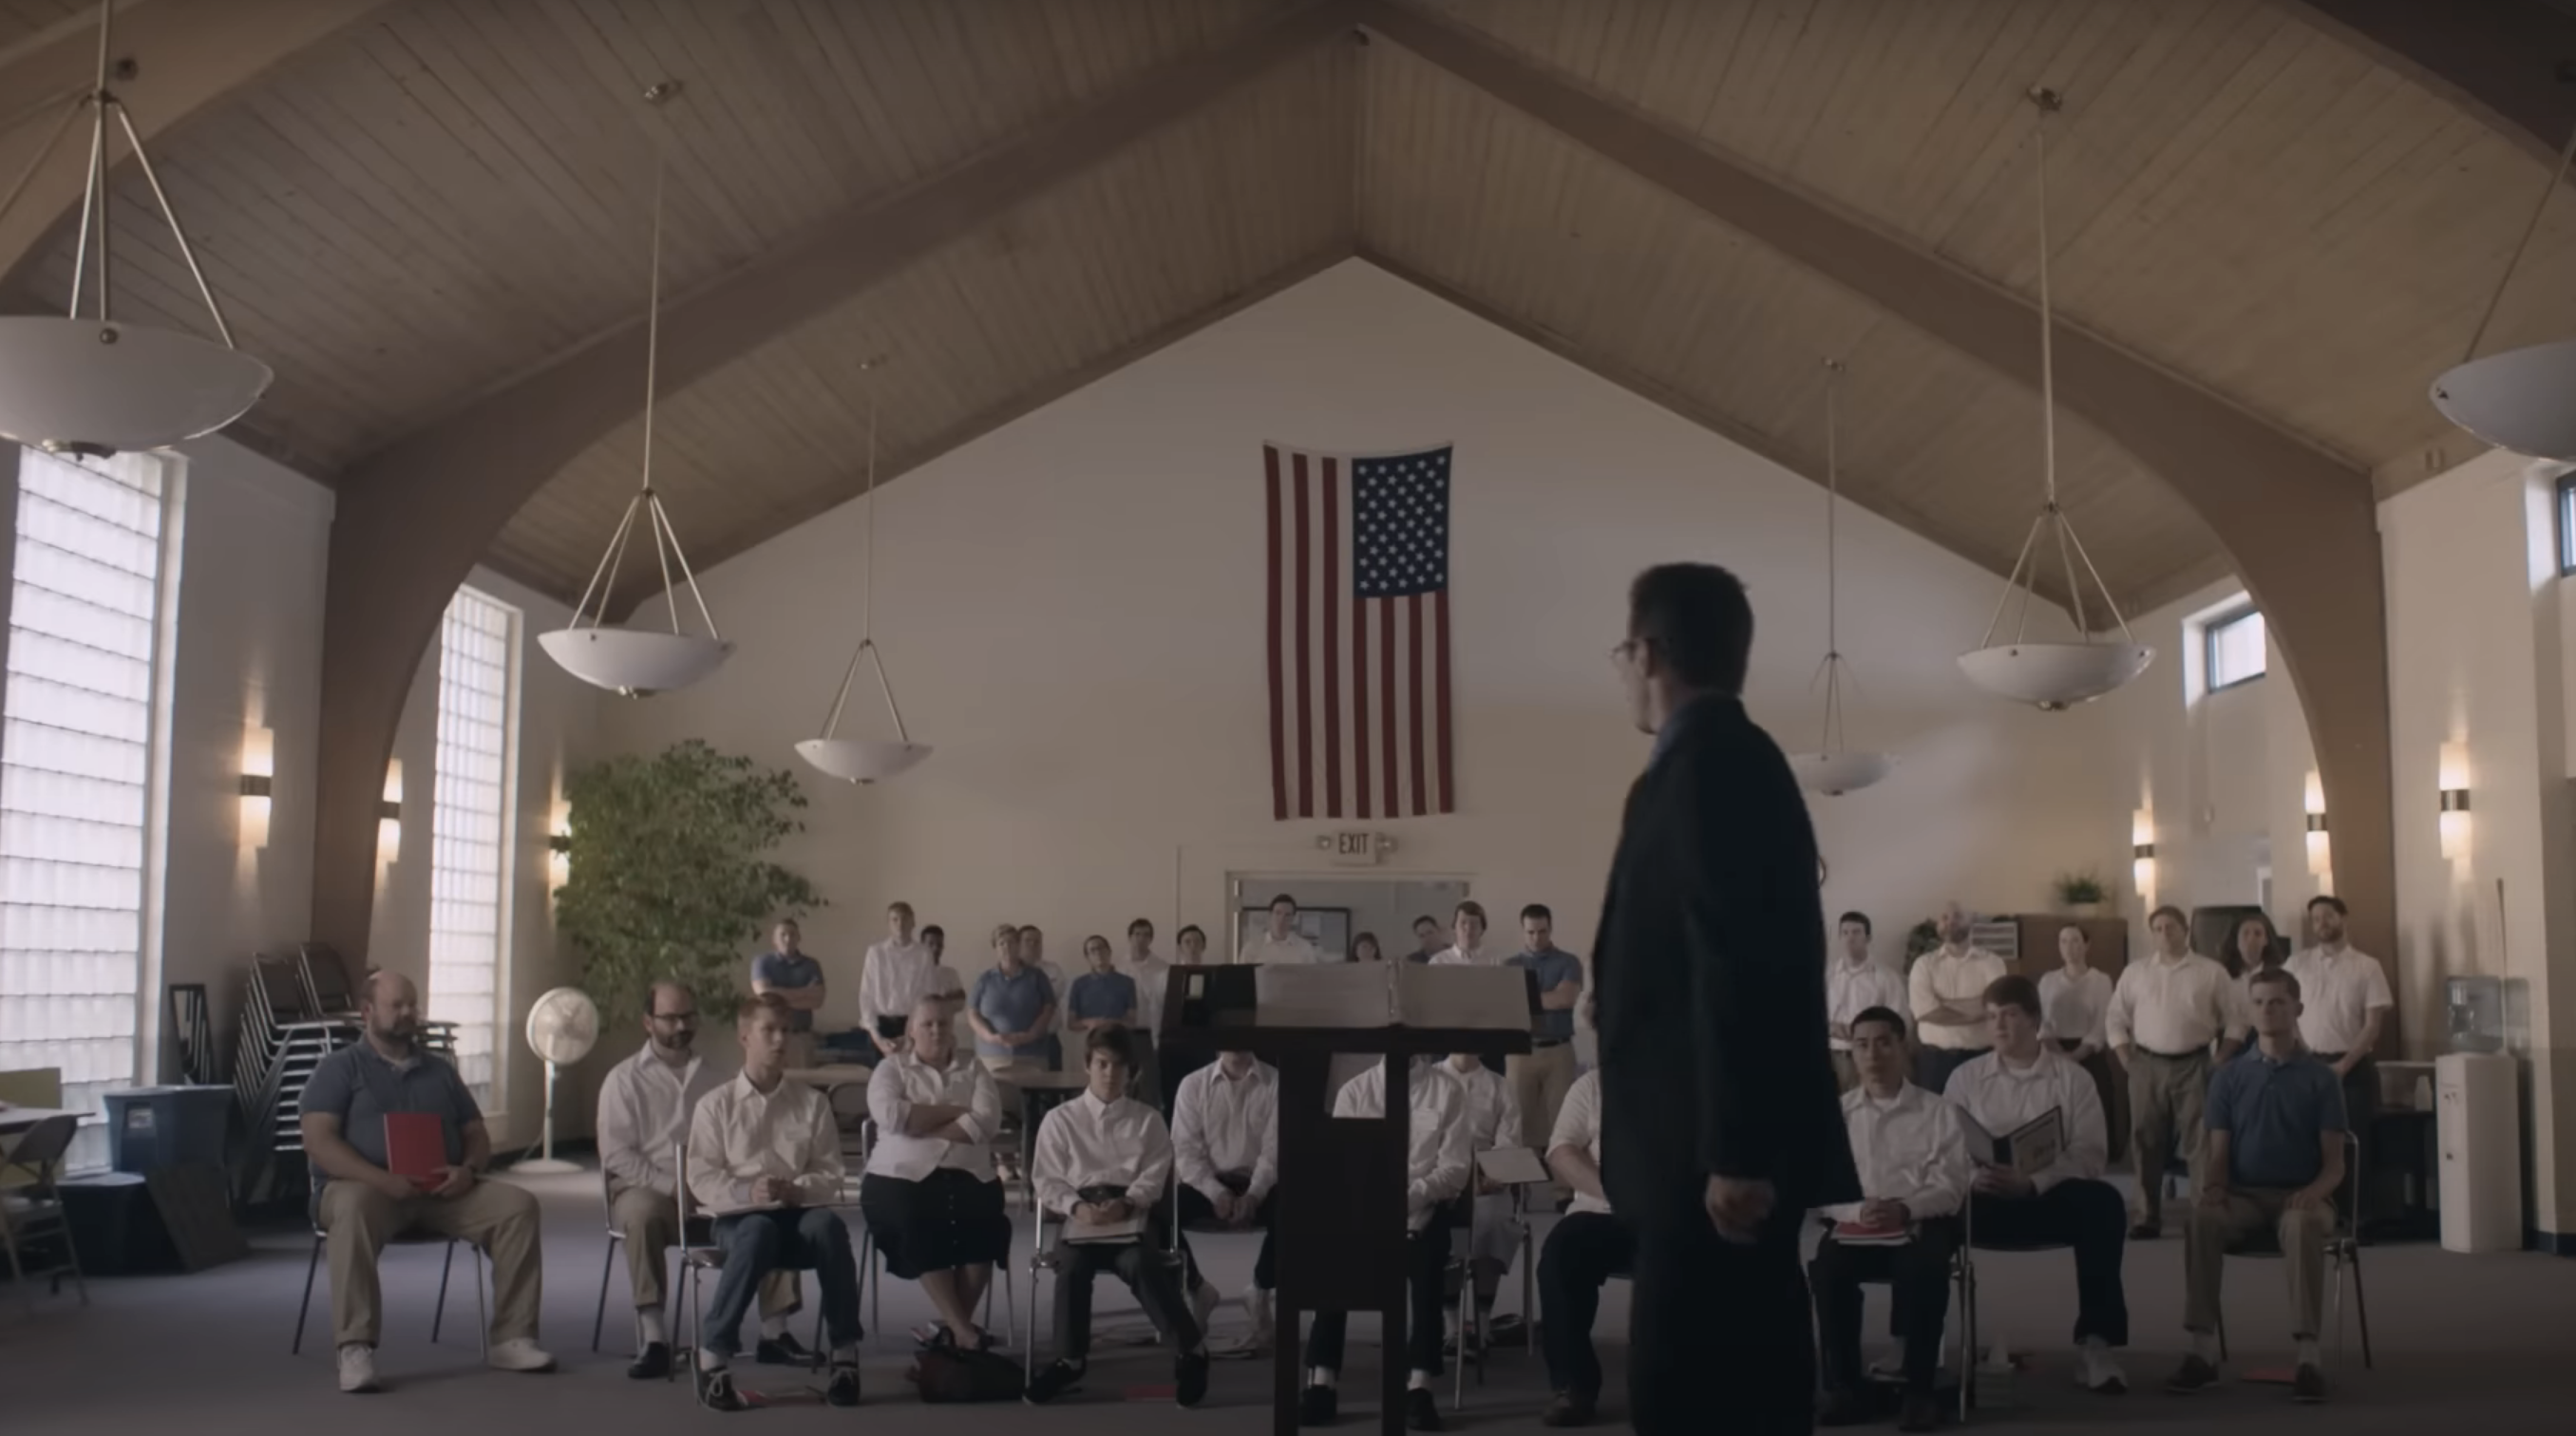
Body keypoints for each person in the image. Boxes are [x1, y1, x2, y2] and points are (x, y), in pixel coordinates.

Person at [1596, 563, 1861, 1436]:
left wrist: (1737, 1152)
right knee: (1710, 1384)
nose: (1622, 669)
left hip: (1714, 1159)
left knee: (1701, 1391)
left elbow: (1741, 962)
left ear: (1653, 652)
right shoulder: (1703, 764)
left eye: (1623, 651)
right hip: (1697, 1149)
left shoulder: (1716, 767)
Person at [298, 971, 554, 1393]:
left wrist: (468, 1170)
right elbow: (318, 1141)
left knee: (517, 1205)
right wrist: (381, 1179)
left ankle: (513, 1337)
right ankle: (355, 1347)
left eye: (412, 1005)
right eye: (396, 1005)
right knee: (352, 1206)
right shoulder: (339, 1069)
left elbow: (475, 1132)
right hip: (365, 1190)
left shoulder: (439, 1071)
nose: (407, 1013)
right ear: (367, 1012)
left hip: (439, 1190)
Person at [597, 981, 800, 1379]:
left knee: (771, 1204)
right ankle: (654, 1338)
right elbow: (616, 1155)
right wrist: (673, 1187)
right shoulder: (623, 1080)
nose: (681, 1025)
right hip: (650, 1188)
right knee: (641, 1213)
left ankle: (775, 1334)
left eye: (688, 1016)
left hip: (712, 1191)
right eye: (670, 1018)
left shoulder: (717, 1077)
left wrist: (733, 1186)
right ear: (648, 1022)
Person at [1942, 974, 2130, 1394]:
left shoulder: (2073, 1079)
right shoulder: (1965, 1079)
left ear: (2035, 1020)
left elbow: (2090, 1153)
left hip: (2047, 1198)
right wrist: (1979, 1177)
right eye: (1991, 1017)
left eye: (2009, 1015)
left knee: (2104, 1204)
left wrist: (2033, 1181)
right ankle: (1920, 1345)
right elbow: (1946, 1152)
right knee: (1933, 1210)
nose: (1999, 1026)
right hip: (1983, 1198)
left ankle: (2097, 1345)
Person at [2169, 969, 2347, 1405]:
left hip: (2303, 1194)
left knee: (2303, 1224)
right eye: (2260, 1003)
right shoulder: (2228, 1077)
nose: (2267, 1010)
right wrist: (2213, 1187)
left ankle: (2307, 1358)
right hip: (2244, 1196)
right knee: (2202, 1219)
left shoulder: (2320, 1078)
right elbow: (2218, 1153)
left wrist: (2315, 1191)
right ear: (2249, 1011)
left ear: (2297, 1009)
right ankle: (2203, 1352)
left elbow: (2335, 1164)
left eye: (2277, 1002)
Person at [683, 994, 865, 1411]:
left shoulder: (813, 1103)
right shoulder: (716, 1105)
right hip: (738, 1221)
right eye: (770, 1030)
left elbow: (830, 1171)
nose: (780, 1039)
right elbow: (702, 1176)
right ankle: (713, 1355)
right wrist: (748, 1193)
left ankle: (844, 1356)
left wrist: (798, 1189)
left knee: (829, 1228)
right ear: (745, 1036)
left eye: (786, 1031)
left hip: (796, 1215)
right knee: (756, 1229)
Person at [1023, 1026, 1213, 1408]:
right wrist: (1077, 1207)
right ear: (1087, 1066)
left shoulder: (1148, 1120)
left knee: (1140, 1261)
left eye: (1119, 1066)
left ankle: (1191, 1350)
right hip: (1081, 1210)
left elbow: (1156, 1174)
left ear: (1133, 1071)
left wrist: (1127, 1203)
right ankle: (1070, 1359)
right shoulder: (1060, 1120)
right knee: (1072, 1263)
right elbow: (1045, 1178)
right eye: (1102, 1064)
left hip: (1133, 1210)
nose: (1110, 1074)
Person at [1813, 1008, 1972, 1432]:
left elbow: (1952, 1185)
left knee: (1927, 1267)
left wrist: (1904, 1209)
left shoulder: (1937, 1111)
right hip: (1855, 1224)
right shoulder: (1838, 1115)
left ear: (1903, 1048)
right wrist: (1855, 1211)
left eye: (1884, 1042)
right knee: (1827, 1271)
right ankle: (1845, 1386)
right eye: (1862, 1045)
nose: (1873, 1054)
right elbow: (1820, 1191)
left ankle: (1919, 1391)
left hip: (1918, 1222)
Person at [1301, 1056, 1473, 1431]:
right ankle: (1322, 1381)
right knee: (1333, 1259)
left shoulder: (1447, 1090)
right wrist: (1375, 1201)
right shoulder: (1356, 1090)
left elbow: (1456, 1168)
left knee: (1427, 1265)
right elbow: (1343, 1164)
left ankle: (1419, 1385)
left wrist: (1408, 1197)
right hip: (1364, 1208)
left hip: (1424, 1208)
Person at [860, 997, 1010, 1352]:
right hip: (899, 1177)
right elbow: (892, 1116)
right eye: (927, 1024)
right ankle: (963, 1331)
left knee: (988, 1223)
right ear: (911, 1029)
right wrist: (957, 1112)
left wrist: (919, 1122)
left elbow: (986, 1123)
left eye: (943, 1023)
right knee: (916, 1216)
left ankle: (955, 1330)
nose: (937, 1030)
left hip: (968, 1172)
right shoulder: (891, 1069)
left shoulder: (974, 1068)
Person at [2106, 905, 2243, 1238]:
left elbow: (2236, 1022)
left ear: (2186, 930)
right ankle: (2146, 1216)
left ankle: (2203, 1216)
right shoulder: (2135, 972)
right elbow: (2115, 1019)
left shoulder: (2211, 972)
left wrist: (2220, 1060)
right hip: (2146, 1064)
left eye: (2171, 927)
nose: (2164, 934)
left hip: (2196, 1063)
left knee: (2201, 1142)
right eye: (2157, 928)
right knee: (2145, 1140)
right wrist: (2127, 1060)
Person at [1534, 1068, 1628, 1428]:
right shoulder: (1591, 1085)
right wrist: (1620, 1198)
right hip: (1602, 1210)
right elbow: (1562, 1152)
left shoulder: (1693, 1076)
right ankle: (1573, 1386)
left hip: (1676, 1214)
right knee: (1560, 1256)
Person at [1171, 1049, 1281, 1346]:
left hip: (1259, 1181)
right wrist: (1216, 1192)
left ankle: (1260, 1289)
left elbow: (1274, 1153)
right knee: (1160, 1212)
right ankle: (1197, 1287)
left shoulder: (1276, 1082)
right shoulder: (1193, 1085)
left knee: (1296, 1209)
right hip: (1208, 1183)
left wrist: (1255, 1194)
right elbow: (1186, 1154)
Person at [2282, 896, 2391, 1179]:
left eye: (2328, 916)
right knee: (2304, 1139)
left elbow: (2372, 1026)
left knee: (2353, 1143)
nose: (2322, 923)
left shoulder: (2368, 966)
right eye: (2316, 919)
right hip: (2306, 1063)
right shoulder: (2296, 964)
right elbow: (2286, 1014)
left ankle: (2355, 1216)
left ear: (2343, 918)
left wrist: (2343, 1066)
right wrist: (2303, 1052)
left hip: (2352, 1068)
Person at [1441, 1050, 1524, 1351]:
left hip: (1486, 1184)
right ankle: (1451, 1325)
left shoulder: (1500, 1086)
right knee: (1446, 1229)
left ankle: (1483, 1324)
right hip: (1441, 1183)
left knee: (1495, 1223)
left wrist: (1486, 1177)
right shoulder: (1431, 1080)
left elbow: (1508, 1143)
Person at [2038, 923, 2123, 1162]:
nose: (2069, 947)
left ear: (2086, 945)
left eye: (2075, 941)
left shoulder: (2100, 980)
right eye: (2063, 941)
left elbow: (2101, 1024)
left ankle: (2098, 1155)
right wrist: (2059, 1054)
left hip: (2088, 1052)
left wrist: (2075, 1057)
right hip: (2054, 1051)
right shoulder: (2048, 980)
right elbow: (2043, 1023)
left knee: (2095, 1103)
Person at [1506, 903, 1585, 1151]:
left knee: (1563, 1122)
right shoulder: (1510, 966)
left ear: (1550, 929)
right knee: (1518, 1122)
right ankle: (1521, 1187)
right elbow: (1505, 1006)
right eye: (1531, 932)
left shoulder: (1568, 961)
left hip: (1558, 1051)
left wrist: (1524, 998)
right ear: (1523, 931)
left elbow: (1565, 999)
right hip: (1520, 1051)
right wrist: (1547, 998)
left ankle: (1562, 1189)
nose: (1536, 937)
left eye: (1542, 931)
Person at [1908, 902, 2006, 1093]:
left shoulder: (1992, 962)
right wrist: (1974, 1010)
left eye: (1957, 917)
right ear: (1938, 925)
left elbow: (1996, 1005)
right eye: (1945, 918)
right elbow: (1925, 1011)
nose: (1950, 922)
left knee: (1982, 1118)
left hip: (1982, 1057)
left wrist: (1943, 1004)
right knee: (1936, 1118)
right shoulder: (1923, 965)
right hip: (1935, 1061)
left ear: (1972, 921)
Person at [1826, 911, 1907, 1093]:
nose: (1850, 938)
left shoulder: (1886, 977)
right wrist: (1830, 1027)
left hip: (1869, 1056)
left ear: (1868, 938)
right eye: (1845, 933)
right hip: (1830, 1055)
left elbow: (1898, 1021)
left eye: (1856, 932)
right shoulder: (1826, 976)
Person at [969, 923, 1055, 1079]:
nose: (1006, 947)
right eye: (1001, 943)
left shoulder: (1037, 976)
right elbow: (972, 1013)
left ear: (1018, 946)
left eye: (1011, 942)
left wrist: (1029, 1035)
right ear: (995, 948)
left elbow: (1048, 1008)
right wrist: (990, 1037)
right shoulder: (985, 979)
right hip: (992, 1056)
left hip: (1031, 1055)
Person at [860, 901, 937, 1059]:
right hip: (881, 1026)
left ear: (913, 922)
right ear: (888, 923)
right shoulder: (876, 953)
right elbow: (866, 995)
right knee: (881, 1080)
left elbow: (927, 995)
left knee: (912, 1078)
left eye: (904, 919)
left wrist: (911, 1035)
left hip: (911, 1025)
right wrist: (878, 1039)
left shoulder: (923, 954)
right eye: (895, 919)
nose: (900, 924)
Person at [749, 917, 826, 1070]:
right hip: (769, 1036)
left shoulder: (811, 965)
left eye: (792, 934)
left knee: (801, 1086)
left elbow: (817, 1000)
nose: (788, 939)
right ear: (774, 939)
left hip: (800, 1035)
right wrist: (804, 993)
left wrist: (778, 998)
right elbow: (764, 994)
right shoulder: (762, 962)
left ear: (799, 938)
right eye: (783, 935)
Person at [1125, 918, 1171, 1108]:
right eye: (1137, 934)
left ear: (1151, 939)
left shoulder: (1163, 967)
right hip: (1125, 1033)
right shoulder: (1120, 967)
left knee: (1148, 1088)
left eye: (1145, 935)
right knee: (1124, 1085)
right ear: (1130, 937)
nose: (1141, 939)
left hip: (1149, 1033)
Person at [2226, 912, 2286, 1047]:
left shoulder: (2280, 974)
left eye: (2257, 934)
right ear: (2236, 940)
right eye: (2245, 933)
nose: (2251, 939)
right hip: (2230, 1044)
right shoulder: (2223, 975)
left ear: (2266, 940)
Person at [1066, 935, 1138, 1037]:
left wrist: (1110, 1023)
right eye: (1093, 950)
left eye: (1101, 948)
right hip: (1088, 1039)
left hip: (1119, 1039)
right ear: (1087, 957)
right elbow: (1071, 1023)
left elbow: (1132, 1022)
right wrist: (1090, 1023)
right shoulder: (1079, 984)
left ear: (1109, 951)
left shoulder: (1127, 982)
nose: (1098, 953)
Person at [1022, 925, 1071, 1070]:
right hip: (1021, 1041)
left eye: (1037, 942)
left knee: (1053, 1086)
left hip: (1049, 1039)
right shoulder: (1012, 973)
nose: (1033, 945)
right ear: (1018, 944)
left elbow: (1051, 999)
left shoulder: (1053, 969)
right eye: (1028, 941)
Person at [1245, 893, 1325, 964]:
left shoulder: (1304, 949)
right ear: (1270, 915)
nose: (1281, 919)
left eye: (1287, 915)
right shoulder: (1252, 948)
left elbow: (1311, 979)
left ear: (1293, 919)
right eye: (1278, 913)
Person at [1429, 899, 1505, 966]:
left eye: (1474, 923)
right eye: (1463, 923)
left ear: (1482, 929)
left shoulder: (1496, 962)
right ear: (1454, 927)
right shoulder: (1438, 962)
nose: (1468, 928)